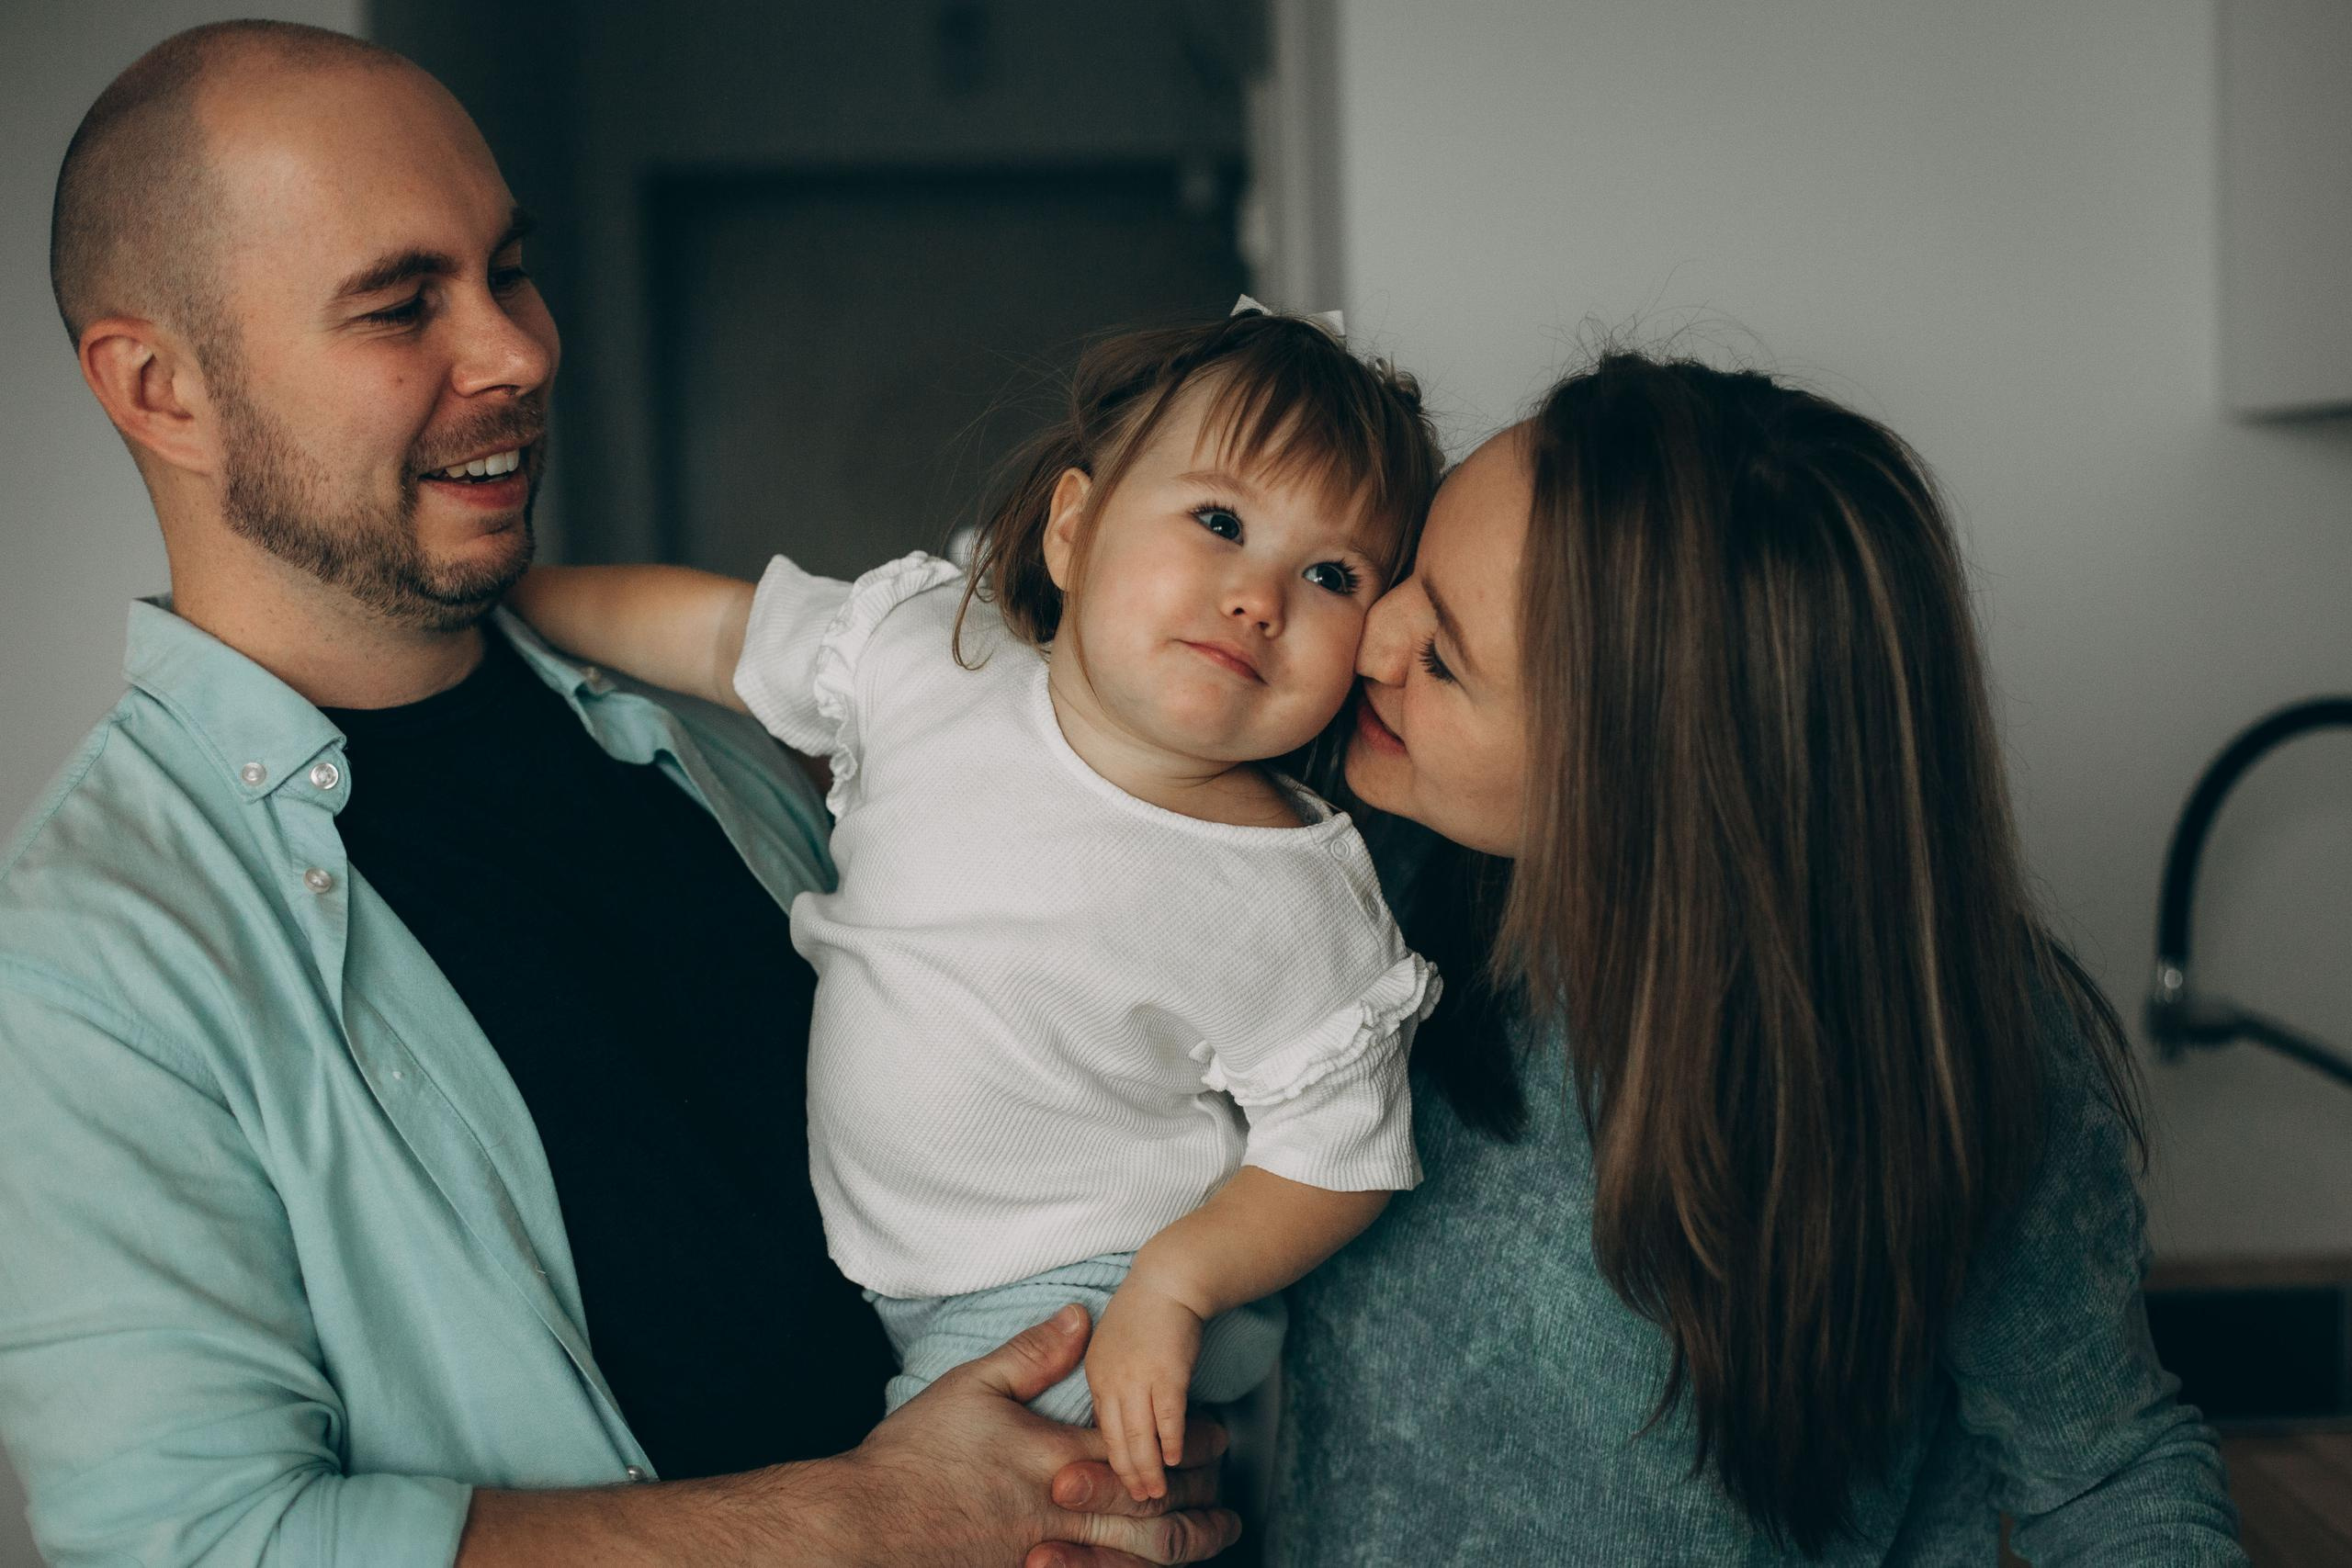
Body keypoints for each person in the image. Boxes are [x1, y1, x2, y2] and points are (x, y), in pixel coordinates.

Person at [0, 20, 1236, 1567]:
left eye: (509, 268)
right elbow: (195, 1546)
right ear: (160, 387)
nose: (522, 350)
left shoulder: (702, 749)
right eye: (402, 304)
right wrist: (889, 1519)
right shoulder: (88, 958)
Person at [1269, 351, 2249, 1564]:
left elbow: (2104, 1480)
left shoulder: (1960, 1042)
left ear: (1646, 779)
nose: (1368, 641)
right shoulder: (1334, 876)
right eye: (1410, 566)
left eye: (1449, 662)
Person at [507, 304, 1445, 1505]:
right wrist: (506, 601)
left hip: (1081, 1292)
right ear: (1075, 528)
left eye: (1331, 574)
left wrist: (1182, 1283)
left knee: (954, 1511)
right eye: (1219, 521)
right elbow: (714, 631)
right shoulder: (931, 657)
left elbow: (1342, 1151)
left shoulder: (1290, 889)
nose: (1259, 597)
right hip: (873, 1257)